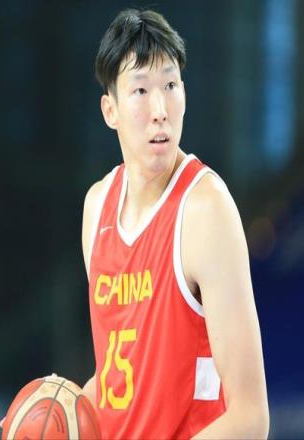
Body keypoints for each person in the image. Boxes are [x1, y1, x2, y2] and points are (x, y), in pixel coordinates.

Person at [81, 8, 269, 439]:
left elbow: (252, 417)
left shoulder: (206, 209)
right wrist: (64, 405)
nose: (160, 110)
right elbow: (122, 380)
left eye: (170, 85)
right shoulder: (97, 208)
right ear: (110, 110)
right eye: (140, 90)